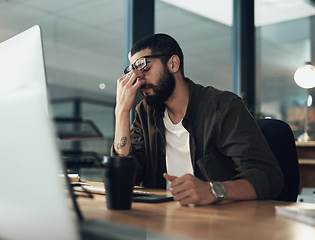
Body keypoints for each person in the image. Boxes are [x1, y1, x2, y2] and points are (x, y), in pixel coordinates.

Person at [112, 33, 284, 206]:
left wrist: (213, 190)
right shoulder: (146, 113)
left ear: (173, 63)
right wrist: (121, 112)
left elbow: (267, 176)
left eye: (144, 67)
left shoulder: (223, 107)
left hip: (219, 222)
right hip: (161, 220)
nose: (138, 78)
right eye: (132, 71)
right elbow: (127, 177)